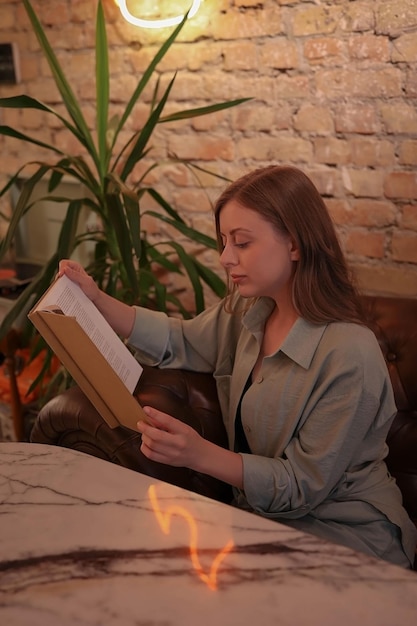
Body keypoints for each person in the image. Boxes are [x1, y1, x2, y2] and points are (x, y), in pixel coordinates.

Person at [59, 165, 417, 568]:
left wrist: (197, 454)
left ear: (295, 244)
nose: (226, 258)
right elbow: (180, 339)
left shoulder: (350, 353)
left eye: (242, 243)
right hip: (261, 520)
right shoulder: (250, 312)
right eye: (224, 241)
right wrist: (96, 300)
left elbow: (302, 486)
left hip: (347, 532)